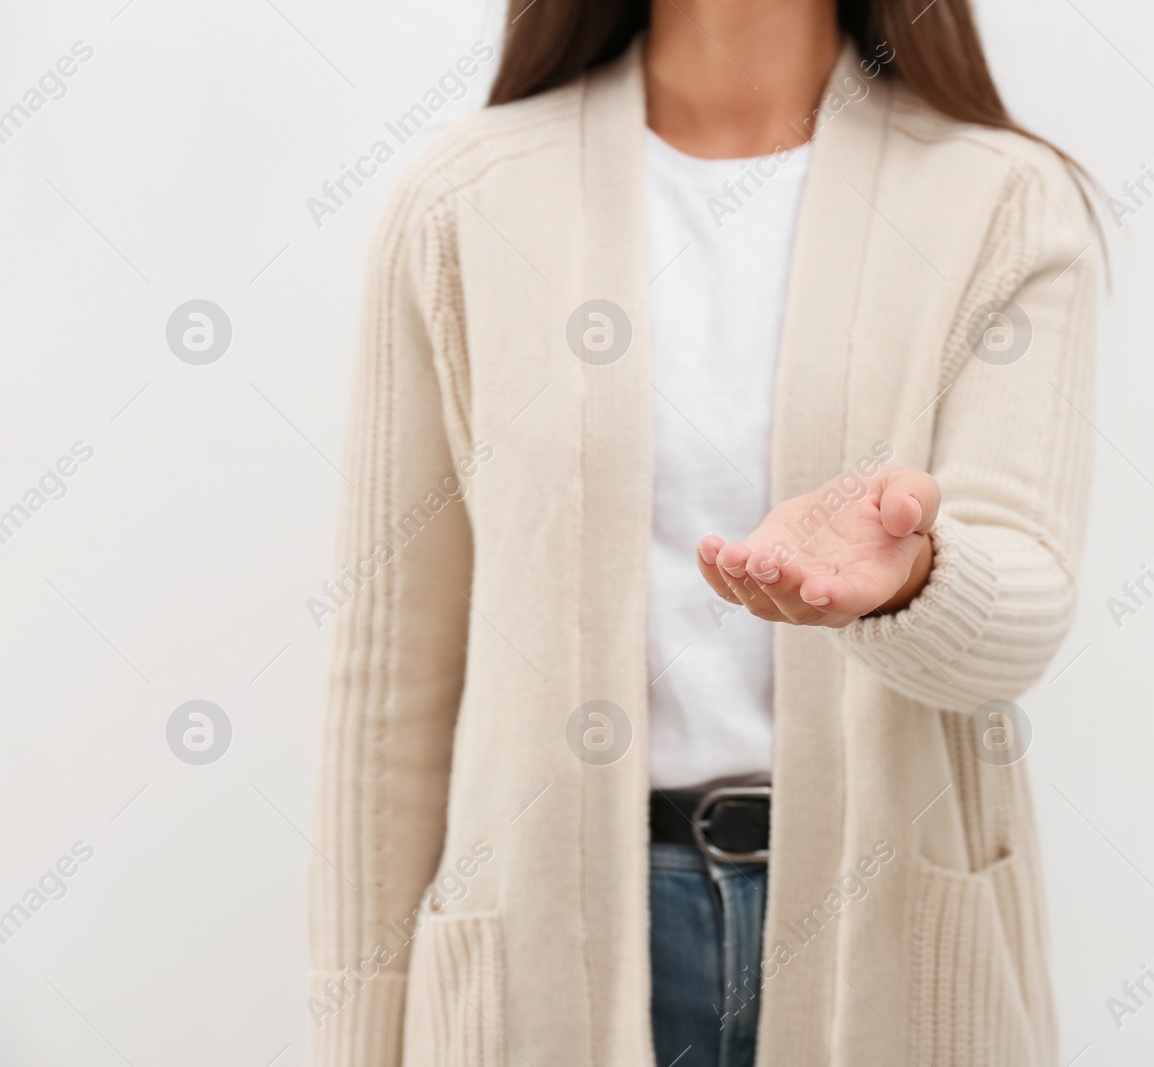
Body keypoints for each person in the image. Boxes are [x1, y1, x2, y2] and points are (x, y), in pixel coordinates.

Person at [306, 1, 1100, 1064]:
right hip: (545, 945)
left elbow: (1024, 613)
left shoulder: (998, 198)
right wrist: (357, 1040)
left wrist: (910, 576)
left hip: (893, 945)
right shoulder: (467, 200)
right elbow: (388, 678)